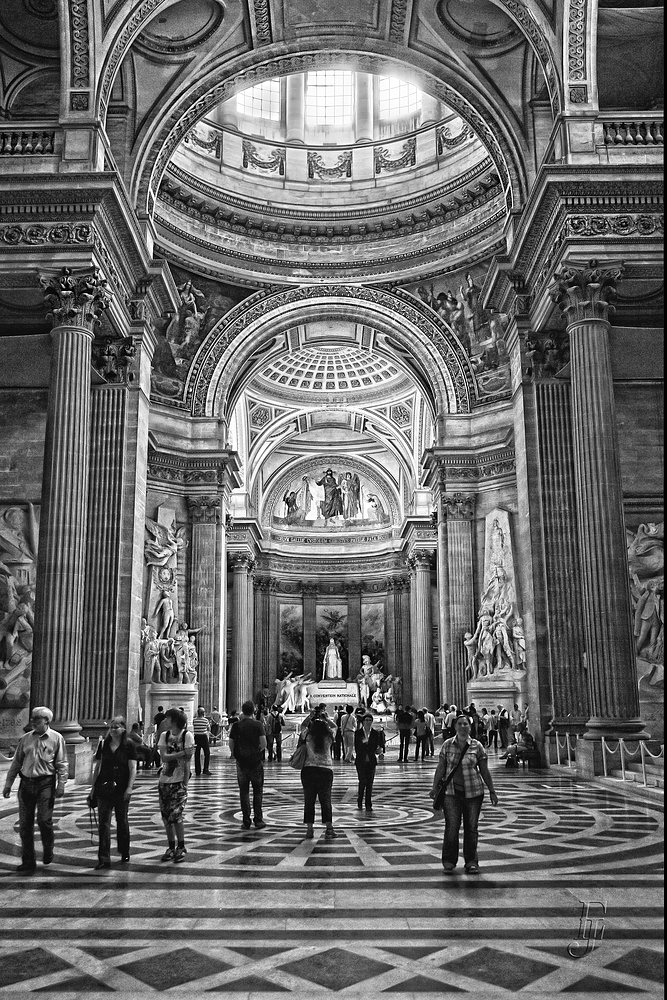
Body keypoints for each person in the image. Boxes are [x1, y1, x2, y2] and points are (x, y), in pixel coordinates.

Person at [431, 713, 499, 874]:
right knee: (452, 827)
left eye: (466, 724)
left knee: (471, 828)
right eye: (460, 724)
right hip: (451, 792)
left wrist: (492, 791)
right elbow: (441, 768)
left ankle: (471, 861)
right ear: (455, 726)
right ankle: (449, 860)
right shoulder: (447, 745)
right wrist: (434, 788)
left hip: (474, 792)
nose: (463, 727)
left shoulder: (477, 746)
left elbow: (484, 770)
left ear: (470, 727)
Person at [2, 706, 68, 872]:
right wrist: (8, 783)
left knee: (44, 820)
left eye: (37, 719)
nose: (33, 722)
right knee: (25, 824)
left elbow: (62, 763)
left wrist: (61, 784)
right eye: (32, 718)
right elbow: (17, 762)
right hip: (26, 784)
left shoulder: (57, 738)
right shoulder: (26, 739)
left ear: (46, 721)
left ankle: (48, 847)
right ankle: (28, 860)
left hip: (45, 783)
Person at [88, 717, 137, 870]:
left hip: (121, 788)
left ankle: (124, 850)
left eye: (117, 727)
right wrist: (93, 787)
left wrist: (130, 787)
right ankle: (104, 858)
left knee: (122, 821)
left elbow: (132, 768)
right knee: (104, 823)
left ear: (123, 728)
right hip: (104, 787)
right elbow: (98, 766)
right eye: (112, 727)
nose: (113, 729)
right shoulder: (104, 744)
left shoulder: (129, 745)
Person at [157, 708, 194, 862]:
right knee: (166, 816)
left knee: (177, 815)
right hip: (164, 781)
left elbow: (188, 761)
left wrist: (185, 783)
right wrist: (181, 753)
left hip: (179, 782)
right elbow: (164, 758)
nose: (164, 721)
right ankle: (171, 847)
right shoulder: (164, 736)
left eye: (167, 719)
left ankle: (181, 846)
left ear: (173, 721)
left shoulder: (187, 735)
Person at [299, 707, 338, 839]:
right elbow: (336, 726)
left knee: (309, 801)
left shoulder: (308, 735)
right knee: (326, 800)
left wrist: (310, 716)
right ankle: (329, 829)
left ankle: (309, 830)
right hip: (325, 770)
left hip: (309, 770)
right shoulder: (329, 736)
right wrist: (326, 718)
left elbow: (303, 725)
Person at [229, 700, 267, 829]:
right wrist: (256, 753)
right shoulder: (258, 725)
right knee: (258, 791)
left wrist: (237, 755)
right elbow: (264, 743)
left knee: (244, 792)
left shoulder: (236, 725)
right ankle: (258, 819)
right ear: (254, 711)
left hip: (241, 763)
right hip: (256, 763)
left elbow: (231, 744)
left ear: (243, 710)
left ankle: (246, 820)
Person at [354, 712, 382, 811]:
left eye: (370, 720)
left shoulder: (375, 733)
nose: (368, 722)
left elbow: (377, 745)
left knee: (370, 782)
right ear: (363, 721)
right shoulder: (358, 733)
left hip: (371, 760)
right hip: (361, 760)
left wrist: (378, 749)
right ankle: (360, 800)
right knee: (362, 781)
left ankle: (368, 803)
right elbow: (357, 746)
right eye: (366, 720)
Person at [192, 706, 212, 775]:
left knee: (197, 753)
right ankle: (205, 769)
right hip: (203, 737)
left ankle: (198, 770)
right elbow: (209, 729)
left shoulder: (194, 720)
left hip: (197, 737)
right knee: (207, 753)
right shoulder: (206, 720)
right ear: (203, 713)